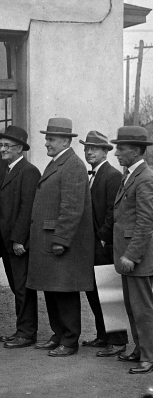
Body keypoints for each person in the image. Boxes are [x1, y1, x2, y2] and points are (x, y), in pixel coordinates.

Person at [27, 118, 94, 358]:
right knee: (52, 290)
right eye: (46, 138)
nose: (46, 143)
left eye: (51, 139)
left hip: (58, 243)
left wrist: (61, 240)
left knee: (64, 292)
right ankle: (58, 334)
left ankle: (69, 340)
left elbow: (72, 207)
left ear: (66, 141)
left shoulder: (72, 165)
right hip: (49, 242)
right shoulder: (58, 163)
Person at [80, 130, 129, 357]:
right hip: (92, 244)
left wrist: (102, 236)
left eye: (95, 149)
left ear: (105, 152)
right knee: (94, 292)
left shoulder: (111, 175)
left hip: (104, 245)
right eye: (87, 148)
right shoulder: (93, 175)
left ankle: (118, 341)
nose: (89, 152)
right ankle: (103, 335)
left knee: (109, 293)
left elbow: (113, 210)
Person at [111, 126, 153, 374]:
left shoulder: (145, 179)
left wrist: (132, 255)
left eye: (121, 148)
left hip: (138, 258)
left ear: (136, 151)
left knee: (143, 308)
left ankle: (148, 355)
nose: (116, 153)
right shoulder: (131, 175)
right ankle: (140, 349)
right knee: (132, 306)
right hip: (128, 255)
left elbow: (146, 222)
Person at [0, 125, 41, 349]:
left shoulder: (29, 171)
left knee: (23, 290)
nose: (2, 149)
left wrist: (19, 239)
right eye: (1, 145)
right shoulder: (10, 170)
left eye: (7, 146)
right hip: (8, 244)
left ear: (20, 148)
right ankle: (21, 330)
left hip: (17, 244)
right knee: (17, 289)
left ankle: (26, 333)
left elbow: (27, 208)